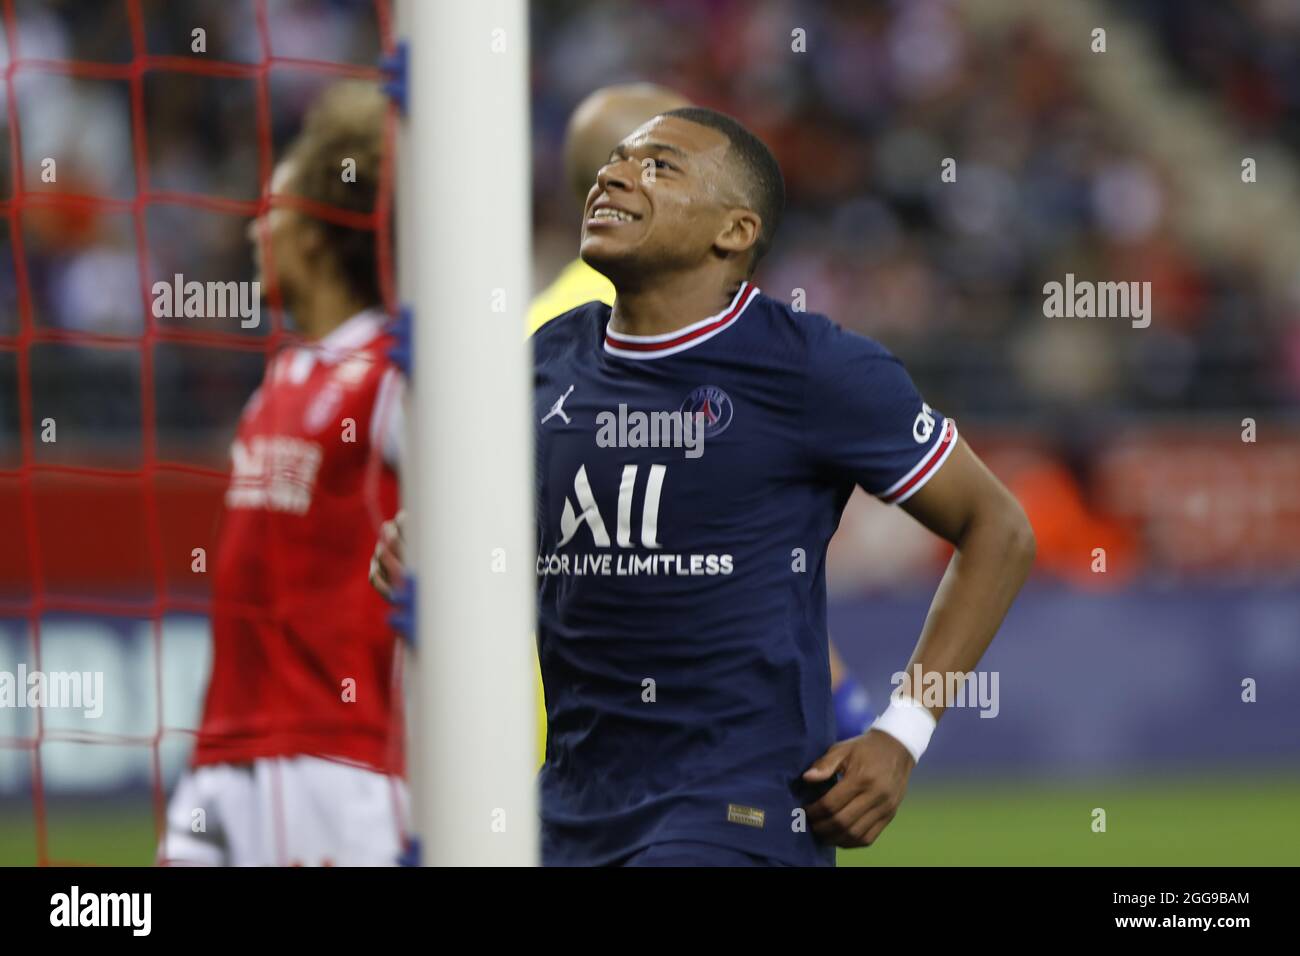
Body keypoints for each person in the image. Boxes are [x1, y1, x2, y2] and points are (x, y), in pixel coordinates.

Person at [378, 106, 1035, 866]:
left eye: (659, 165)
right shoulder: (547, 360)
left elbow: (999, 527)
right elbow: (517, 557)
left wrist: (903, 730)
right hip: (567, 812)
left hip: (732, 815)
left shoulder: (813, 368)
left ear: (735, 231)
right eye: (616, 160)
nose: (615, 175)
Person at [160, 82, 407, 866]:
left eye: (272, 211)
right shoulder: (282, 378)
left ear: (313, 234)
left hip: (332, 754)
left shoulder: (394, 372)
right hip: (222, 748)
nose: (253, 231)